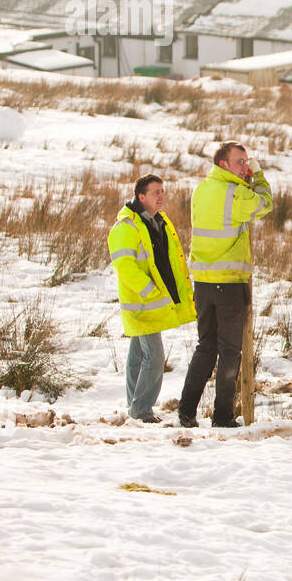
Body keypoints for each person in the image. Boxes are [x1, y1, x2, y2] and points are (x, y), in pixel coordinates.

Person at [176, 141, 273, 428]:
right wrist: (259, 175)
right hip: (229, 282)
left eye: (247, 161)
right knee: (230, 351)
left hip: (203, 280)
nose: (245, 166)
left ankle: (186, 410)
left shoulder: (203, 188)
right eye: (240, 161)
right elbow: (265, 202)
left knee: (205, 347)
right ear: (223, 165)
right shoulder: (234, 191)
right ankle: (222, 415)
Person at [108, 174, 196, 423]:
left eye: (163, 191)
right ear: (141, 196)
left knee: (138, 355)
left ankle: (134, 407)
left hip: (153, 301)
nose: (161, 196)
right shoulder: (126, 226)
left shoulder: (158, 221)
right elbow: (124, 266)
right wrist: (148, 290)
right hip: (141, 303)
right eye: (156, 192)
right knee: (154, 357)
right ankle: (141, 410)